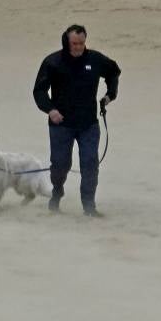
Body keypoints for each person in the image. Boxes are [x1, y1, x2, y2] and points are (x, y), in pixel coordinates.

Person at [32, 24, 121, 217]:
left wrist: (110, 95)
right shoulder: (53, 62)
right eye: (74, 43)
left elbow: (114, 71)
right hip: (60, 124)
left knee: (90, 163)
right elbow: (39, 91)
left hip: (88, 123)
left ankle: (89, 206)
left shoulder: (95, 60)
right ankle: (56, 192)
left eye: (81, 43)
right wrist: (50, 110)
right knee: (60, 165)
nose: (78, 47)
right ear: (67, 41)